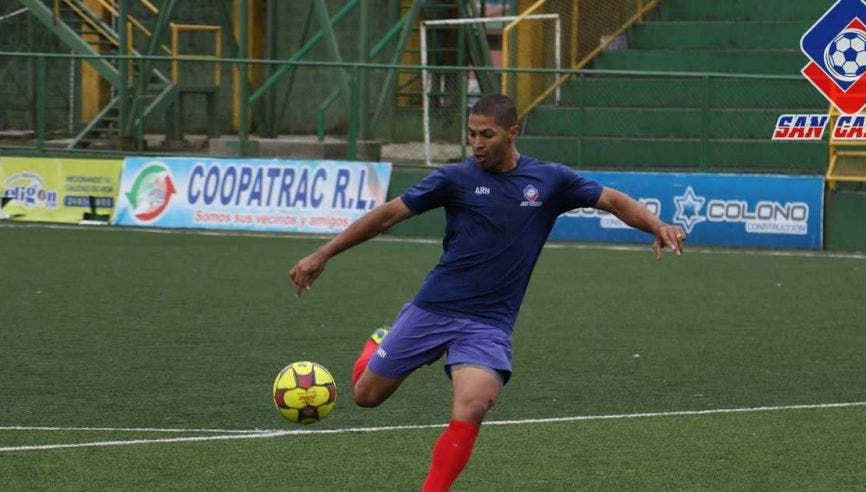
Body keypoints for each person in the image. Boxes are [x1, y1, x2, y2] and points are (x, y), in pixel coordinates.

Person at [289, 94, 686, 491]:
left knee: (473, 404)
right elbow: (387, 215)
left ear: (514, 132)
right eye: (471, 134)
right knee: (366, 396)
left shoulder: (549, 180)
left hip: (488, 323)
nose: (476, 144)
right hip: (434, 307)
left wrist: (656, 225)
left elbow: (612, 200)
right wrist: (324, 253)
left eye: (487, 135)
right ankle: (378, 343)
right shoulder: (454, 179)